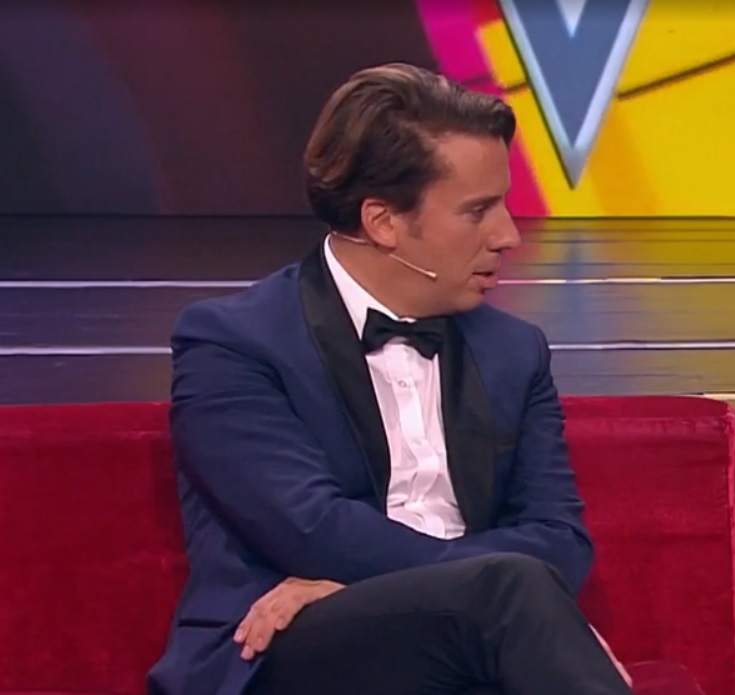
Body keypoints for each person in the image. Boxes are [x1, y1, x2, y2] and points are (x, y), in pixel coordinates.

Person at [146, 63, 633, 695]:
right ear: (383, 222)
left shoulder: (515, 351)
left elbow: (562, 540)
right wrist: (493, 592)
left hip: (463, 640)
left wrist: (439, 593)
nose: (508, 235)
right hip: (283, 643)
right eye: (477, 211)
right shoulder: (234, 342)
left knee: (512, 600)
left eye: (504, 205)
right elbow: (311, 530)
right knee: (512, 590)